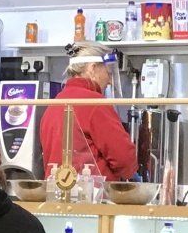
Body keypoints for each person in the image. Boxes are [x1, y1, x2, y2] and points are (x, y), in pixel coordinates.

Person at [38, 45, 137, 181]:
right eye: (108, 73)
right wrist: (131, 173)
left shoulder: (53, 105)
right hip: (92, 197)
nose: (109, 81)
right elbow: (124, 158)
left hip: (56, 194)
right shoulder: (95, 104)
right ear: (93, 68)